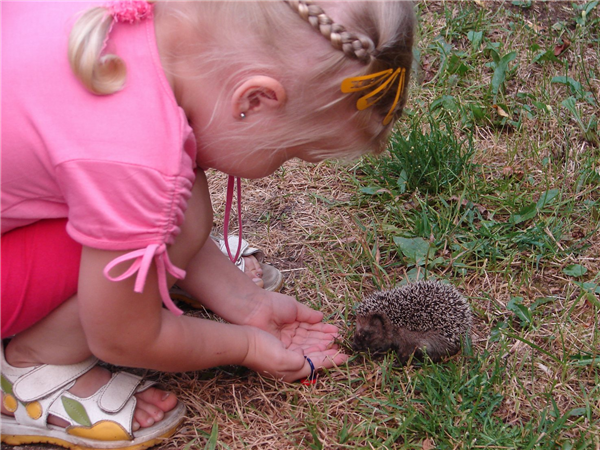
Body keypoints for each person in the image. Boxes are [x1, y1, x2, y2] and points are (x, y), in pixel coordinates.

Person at [0, 0, 415, 448]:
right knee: (174, 205)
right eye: (288, 153)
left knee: (174, 201)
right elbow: (122, 337)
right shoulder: (138, 159)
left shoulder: (150, 23)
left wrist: (247, 304)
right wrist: (247, 345)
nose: (279, 166)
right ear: (254, 100)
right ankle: (33, 365)